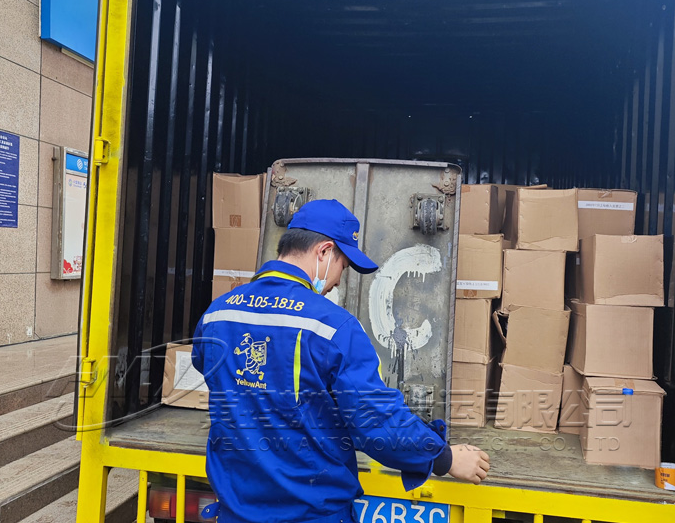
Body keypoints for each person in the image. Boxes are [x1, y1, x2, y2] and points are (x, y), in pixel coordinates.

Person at [192, 199, 490, 523]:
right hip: (309, 513)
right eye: (343, 267)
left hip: (236, 510)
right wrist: (444, 457)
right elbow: (376, 421)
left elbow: (212, 372)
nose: (337, 281)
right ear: (324, 252)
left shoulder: (218, 313)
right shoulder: (334, 327)